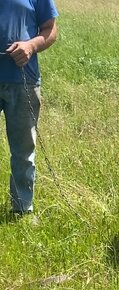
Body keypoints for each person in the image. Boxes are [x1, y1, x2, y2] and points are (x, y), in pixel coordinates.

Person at [0, 0, 59, 214]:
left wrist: (30, 46)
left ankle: (22, 208)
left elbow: (50, 29)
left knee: (23, 151)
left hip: (24, 79)